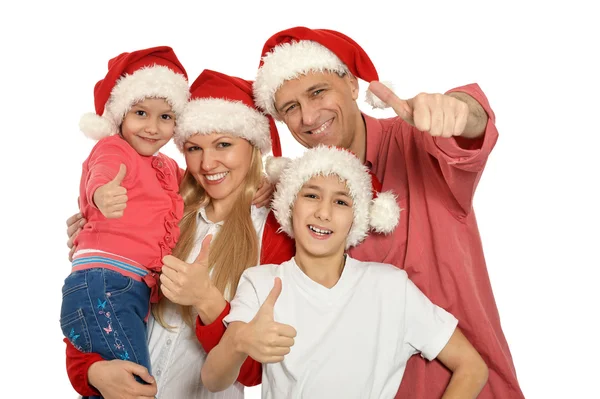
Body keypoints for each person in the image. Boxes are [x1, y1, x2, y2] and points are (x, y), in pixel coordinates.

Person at [197, 26, 525, 398]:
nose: (307, 117)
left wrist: (459, 110)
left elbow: (469, 134)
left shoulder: (417, 141)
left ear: (352, 85)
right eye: (290, 108)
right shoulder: (299, 198)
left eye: (317, 91)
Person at [63, 69, 294, 398]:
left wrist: (207, 301)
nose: (208, 163)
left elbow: (259, 369)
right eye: (194, 148)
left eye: (223, 145)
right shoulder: (167, 213)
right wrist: (92, 372)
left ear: (253, 145)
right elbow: (95, 301)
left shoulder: (274, 233)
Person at [201, 145, 489, 398]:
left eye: (341, 202)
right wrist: (239, 341)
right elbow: (213, 380)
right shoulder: (261, 282)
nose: (323, 213)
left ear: (357, 218)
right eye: (311, 195)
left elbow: (471, 367)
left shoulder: (390, 287)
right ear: (290, 205)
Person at [60, 46, 190, 395]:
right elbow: (100, 174)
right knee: (138, 386)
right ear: (120, 116)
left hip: (126, 289)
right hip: (105, 282)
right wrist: (102, 194)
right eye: (141, 113)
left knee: (121, 387)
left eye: (165, 117)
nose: (152, 127)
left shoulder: (165, 167)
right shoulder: (115, 148)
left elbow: (195, 184)